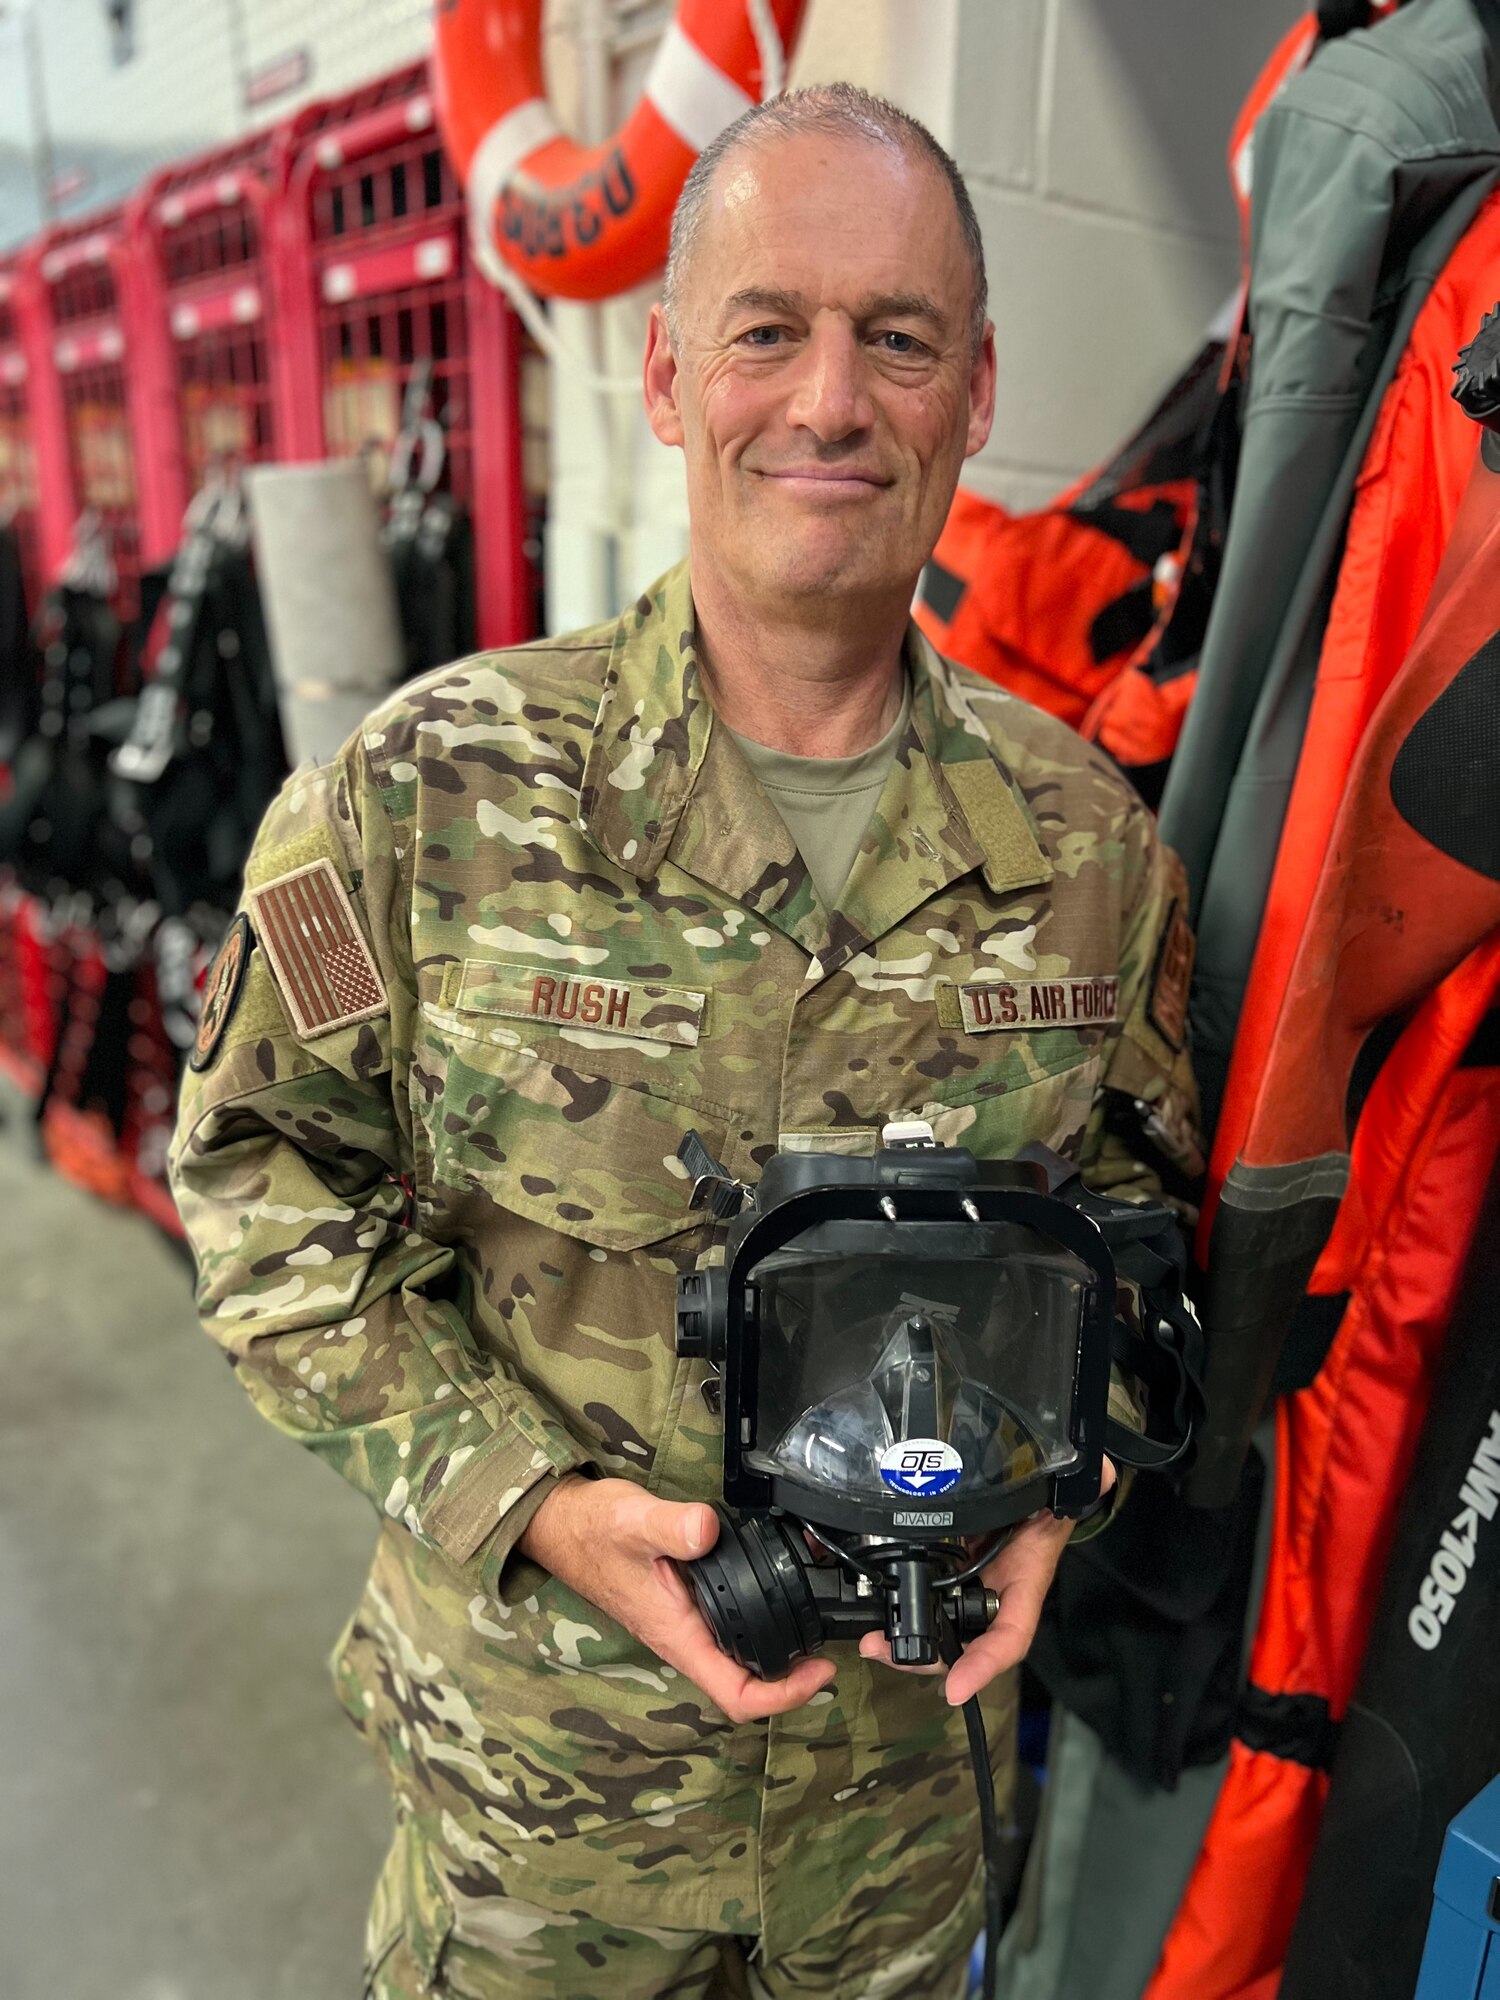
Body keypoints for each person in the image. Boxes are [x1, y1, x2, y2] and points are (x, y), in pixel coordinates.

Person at [169, 83, 1200, 2000]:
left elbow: (1138, 1239)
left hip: (896, 1843)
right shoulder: (429, 798)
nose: (829, 401)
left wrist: (1071, 1489)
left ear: (975, 395)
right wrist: (524, 1503)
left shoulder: (1090, 858)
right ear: (663, 378)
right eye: (768, 330)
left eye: (899, 339)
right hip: (539, 1833)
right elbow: (255, 1186)